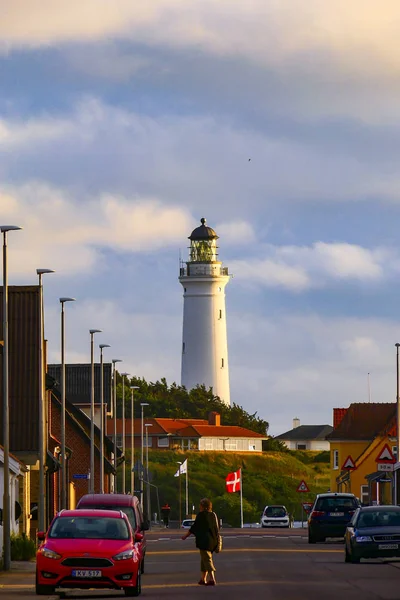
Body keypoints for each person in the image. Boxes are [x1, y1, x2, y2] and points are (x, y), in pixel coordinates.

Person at [181, 497, 219, 586]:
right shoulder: (213, 515)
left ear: (203, 506)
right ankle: (203, 579)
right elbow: (216, 528)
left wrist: (185, 536)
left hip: (204, 541)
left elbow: (194, 527)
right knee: (204, 560)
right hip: (212, 540)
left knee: (207, 560)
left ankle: (212, 579)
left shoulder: (201, 515)